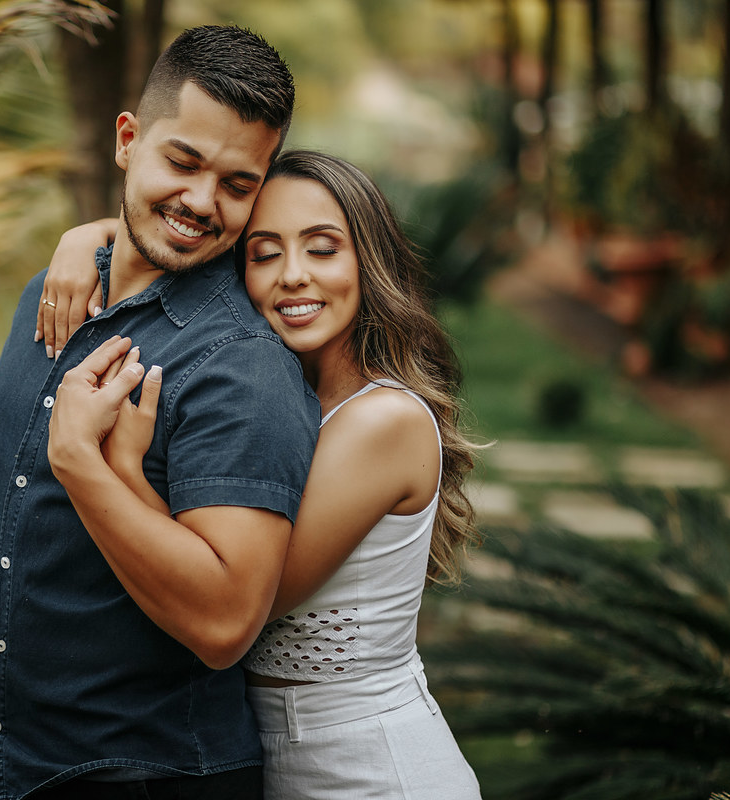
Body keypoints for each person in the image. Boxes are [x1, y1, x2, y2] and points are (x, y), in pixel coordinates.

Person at [45, 150, 484, 799]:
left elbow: (226, 603)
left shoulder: (381, 420)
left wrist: (115, 468)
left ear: (369, 263)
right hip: (280, 765)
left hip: (374, 773)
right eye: (265, 252)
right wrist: (87, 239)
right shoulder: (291, 401)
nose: (293, 277)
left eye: (323, 248)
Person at [0, 25, 321, 800]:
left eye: (238, 183)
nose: (201, 201)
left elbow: (228, 623)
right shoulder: (49, 295)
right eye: (183, 162)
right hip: (15, 764)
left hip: (149, 770)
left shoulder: (243, 367)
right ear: (128, 139)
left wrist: (81, 463)